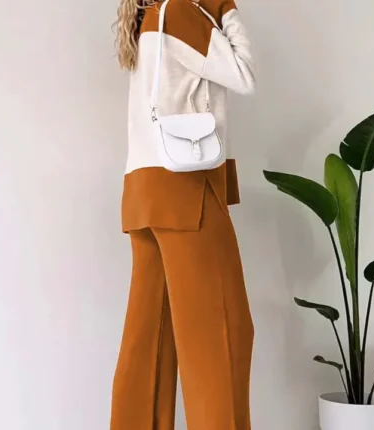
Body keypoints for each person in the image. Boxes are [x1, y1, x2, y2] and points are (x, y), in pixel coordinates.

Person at [111, 0, 255, 429]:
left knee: (149, 344)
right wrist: (225, 10)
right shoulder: (183, 15)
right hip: (186, 197)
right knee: (222, 338)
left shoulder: (150, 18)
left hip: (145, 196)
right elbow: (244, 74)